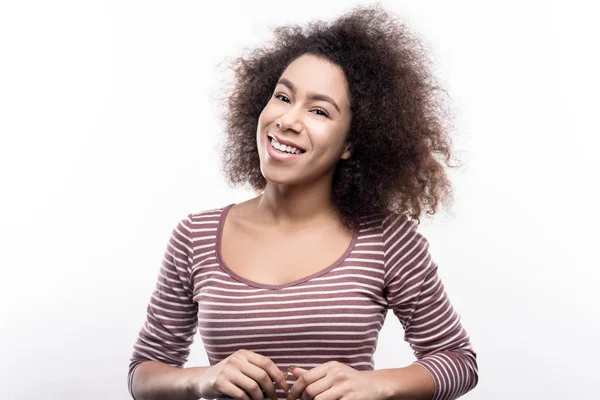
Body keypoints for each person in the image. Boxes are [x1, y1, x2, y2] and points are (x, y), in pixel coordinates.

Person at [128, 4, 478, 400]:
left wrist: (376, 385)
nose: (288, 120)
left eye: (318, 110)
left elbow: (457, 359)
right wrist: (201, 378)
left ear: (350, 143)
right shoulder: (196, 236)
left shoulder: (388, 239)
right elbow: (143, 374)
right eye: (282, 97)